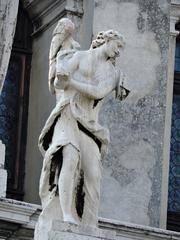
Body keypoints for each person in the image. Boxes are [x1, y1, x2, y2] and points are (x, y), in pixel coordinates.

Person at [37, 19, 126, 228]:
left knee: (93, 173)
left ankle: (89, 224)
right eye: (118, 46)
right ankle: (66, 214)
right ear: (107, 40)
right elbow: (58, 84)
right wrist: (61, 78)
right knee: (69, 156)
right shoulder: (79, 57)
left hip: (90, 125)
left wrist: (71, 82)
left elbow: (97, 91)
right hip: (67, 114)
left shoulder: (113, 74)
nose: (120, 52)